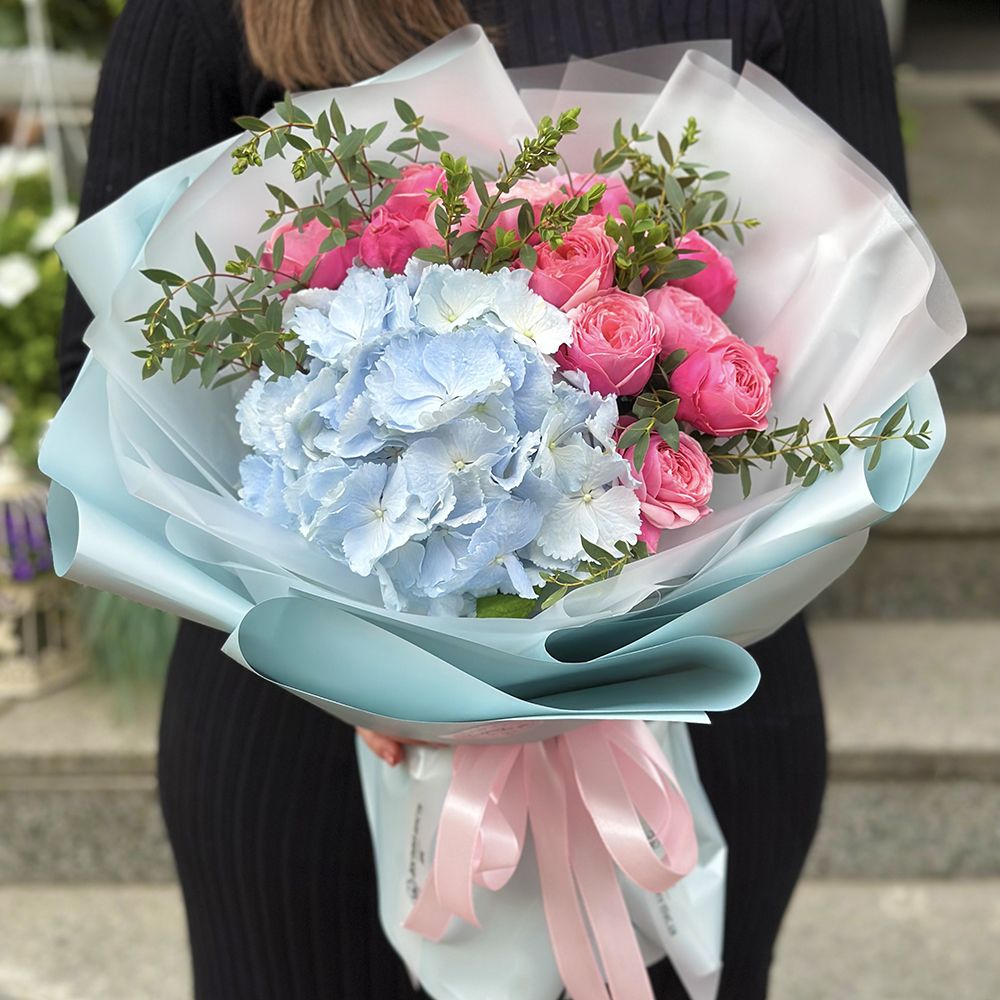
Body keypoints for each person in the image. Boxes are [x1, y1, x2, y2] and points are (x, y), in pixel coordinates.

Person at [59, 1, 906, 997]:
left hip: (685, 731)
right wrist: (369, 666)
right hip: (309, 767)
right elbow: (112, 369)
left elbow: (868, 331)